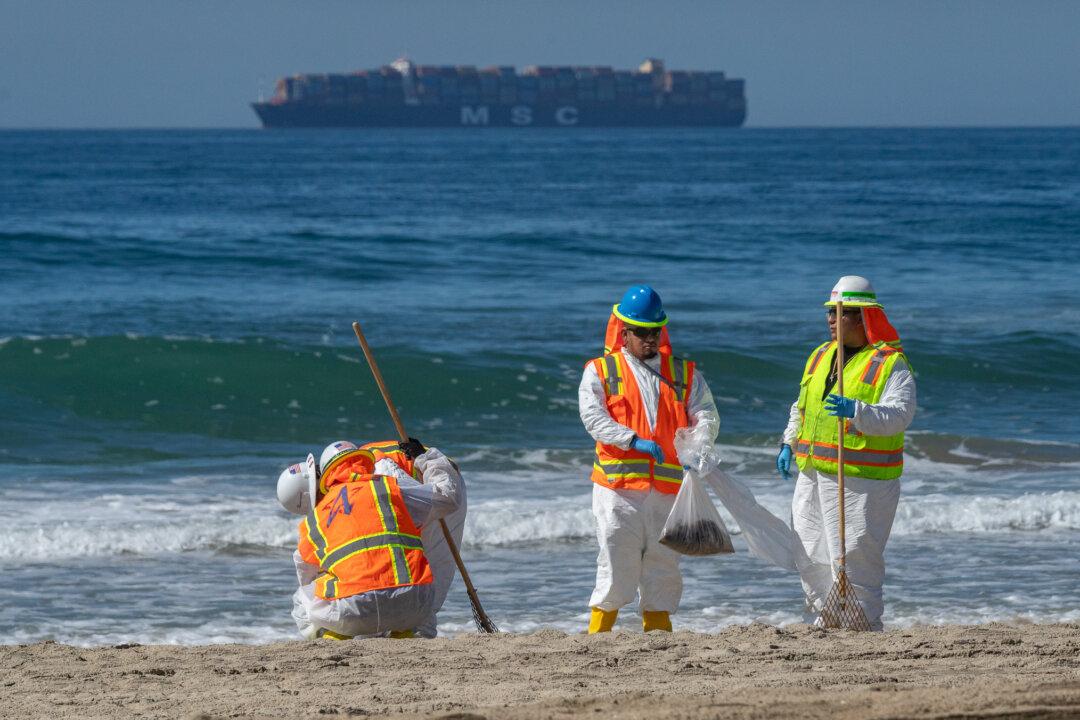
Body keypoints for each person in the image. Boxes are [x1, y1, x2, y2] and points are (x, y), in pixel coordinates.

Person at [776, 276, 916, 631]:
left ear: (862, 318)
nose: (830, 320)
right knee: (809, 549)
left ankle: (863, 624)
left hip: (861, 478)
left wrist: (858, 411)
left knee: (854, 554)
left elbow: (900, 416)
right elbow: (801, 405)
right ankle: (824, 619)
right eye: (829, 313)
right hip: (814, 471)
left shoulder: (889, 364)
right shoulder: (821, 355)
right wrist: (788, 442)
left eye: (839, 313)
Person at [578, 285, 720, 633]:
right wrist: (632, 440)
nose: (649, 339)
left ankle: (658, 635)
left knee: (663, 565)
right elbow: (593, 418)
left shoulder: (685, 374)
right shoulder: (600, 370)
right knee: (616, 562)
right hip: (619, 487)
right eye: (641, 332)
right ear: (623, 332)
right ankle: (599, 634)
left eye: (654, 331)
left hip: (668, 487)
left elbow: (707, 415)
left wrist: (697, 443)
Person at [276, 439, 463, 639]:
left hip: (354, 614)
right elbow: (448, 497)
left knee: (303, 597)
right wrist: (428, 458)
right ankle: (407, 634)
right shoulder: (386, 487)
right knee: (412, 566)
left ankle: (332, 636)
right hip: (415, 606)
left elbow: (307, 577)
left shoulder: (313, 523)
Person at [358, 438, 467, 639]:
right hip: (426, 486)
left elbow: (445, 498)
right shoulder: (350, 477)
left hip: (441, 481)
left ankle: (419, 634)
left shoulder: (380, 471)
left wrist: (425, 459)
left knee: (428, 569)